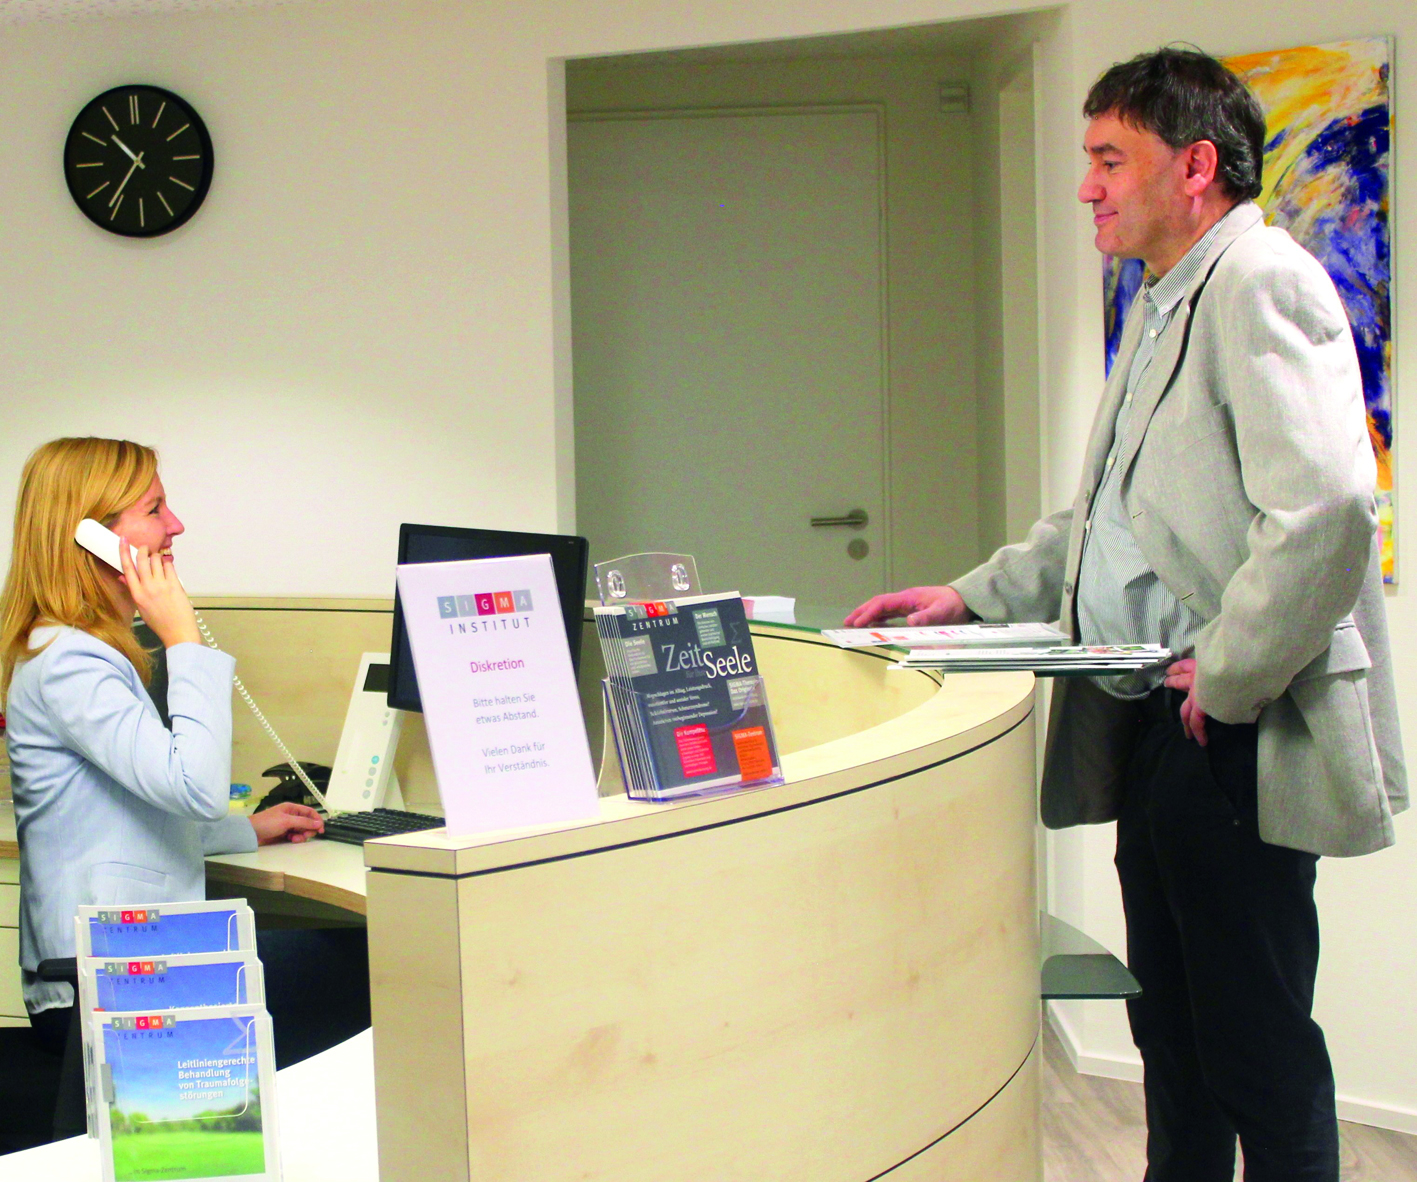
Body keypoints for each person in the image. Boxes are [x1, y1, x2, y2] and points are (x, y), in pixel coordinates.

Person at [848, 48, 1405, 1182]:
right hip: (1158, 722)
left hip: (1228, 730)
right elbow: (1107, 518)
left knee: (1254, 1047)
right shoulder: (1161, 303)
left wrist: (1231, 675)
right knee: (1174, 1038)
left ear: (1193, 167)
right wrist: (969, 596)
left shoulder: (1258, 281)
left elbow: (1326, 510)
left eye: (1110, 159)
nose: (1087, 186)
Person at [0, 437, 368, 1101]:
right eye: (154, 509)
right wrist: (183, 638)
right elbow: (195, 787)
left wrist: (246, 830)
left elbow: (134, 813)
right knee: (377, 966)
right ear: (91, 536)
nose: (176, 526)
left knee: (352, 961)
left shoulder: (74, 650)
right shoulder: (69, 662)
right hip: (110, 990)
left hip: (125, 971)